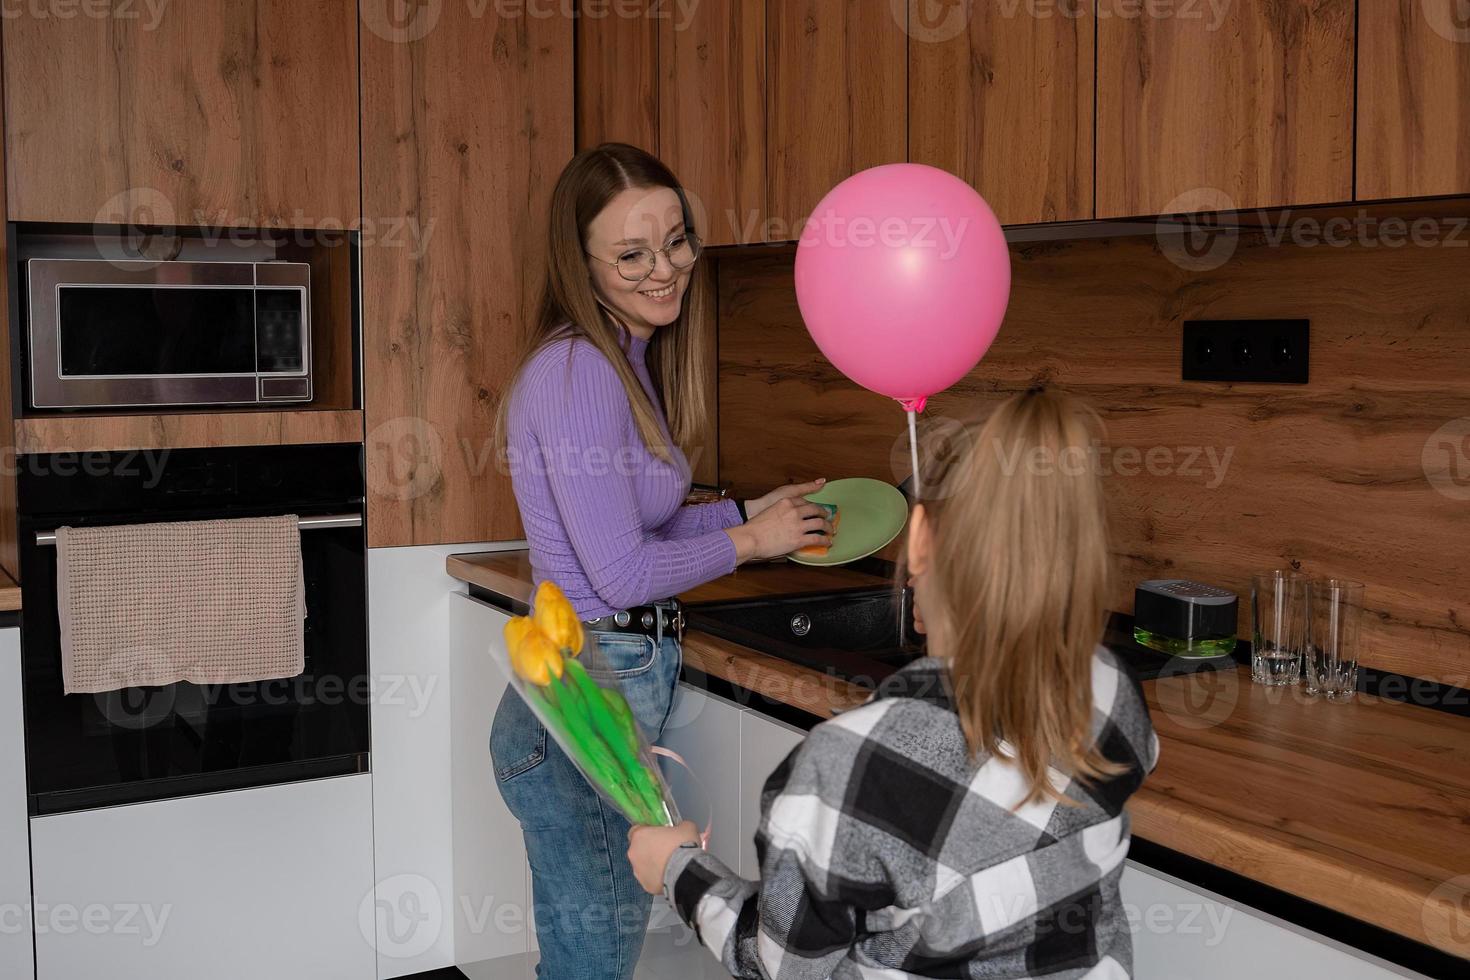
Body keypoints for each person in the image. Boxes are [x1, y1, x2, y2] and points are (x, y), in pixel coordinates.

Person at [629, 389, 1160, 979]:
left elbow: (782, 963)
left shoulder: (849, 764)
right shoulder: (1111, 692)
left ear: (922, 537)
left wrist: (677, 867)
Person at [491, 142, 835, 980]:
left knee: (587, 964)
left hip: (593, 690)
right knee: (592, 970)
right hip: (584, 704)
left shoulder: (621, 359)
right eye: (632, 254)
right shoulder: (579, 371)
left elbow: (642, 522)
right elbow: (617, 575)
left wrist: (748, 513)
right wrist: (755, 544)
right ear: (581, 264)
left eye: (675, 241)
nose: (665, 270)